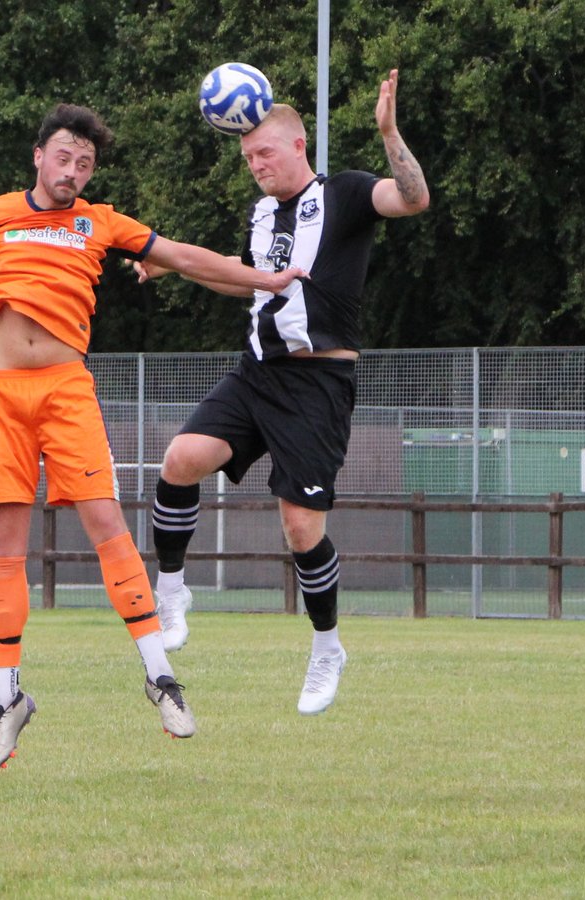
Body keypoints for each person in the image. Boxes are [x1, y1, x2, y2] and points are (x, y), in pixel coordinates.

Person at [0, 103, 306, 773]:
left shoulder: (98, 223)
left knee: (106, 523)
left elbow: (186, 259)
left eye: (86, 163)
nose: (74, 170)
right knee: (4, 549)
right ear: (38, 157)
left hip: (67, 391)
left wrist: (265, 280)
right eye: (65, 157)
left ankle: (161, 678)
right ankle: (6, 699)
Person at [140, 69, 429, 715]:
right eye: (246, 157)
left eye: (263, 152)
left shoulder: (348, 195)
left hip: (318, 385)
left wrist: (388, 132)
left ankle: (327, 645)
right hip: (256, 373)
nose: (255, 165)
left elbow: (412, 198)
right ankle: (174, 592)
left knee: (300, 527)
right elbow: (249, 282)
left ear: (299, 146)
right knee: (180, 459)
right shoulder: (263, 213)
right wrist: (169, 264)